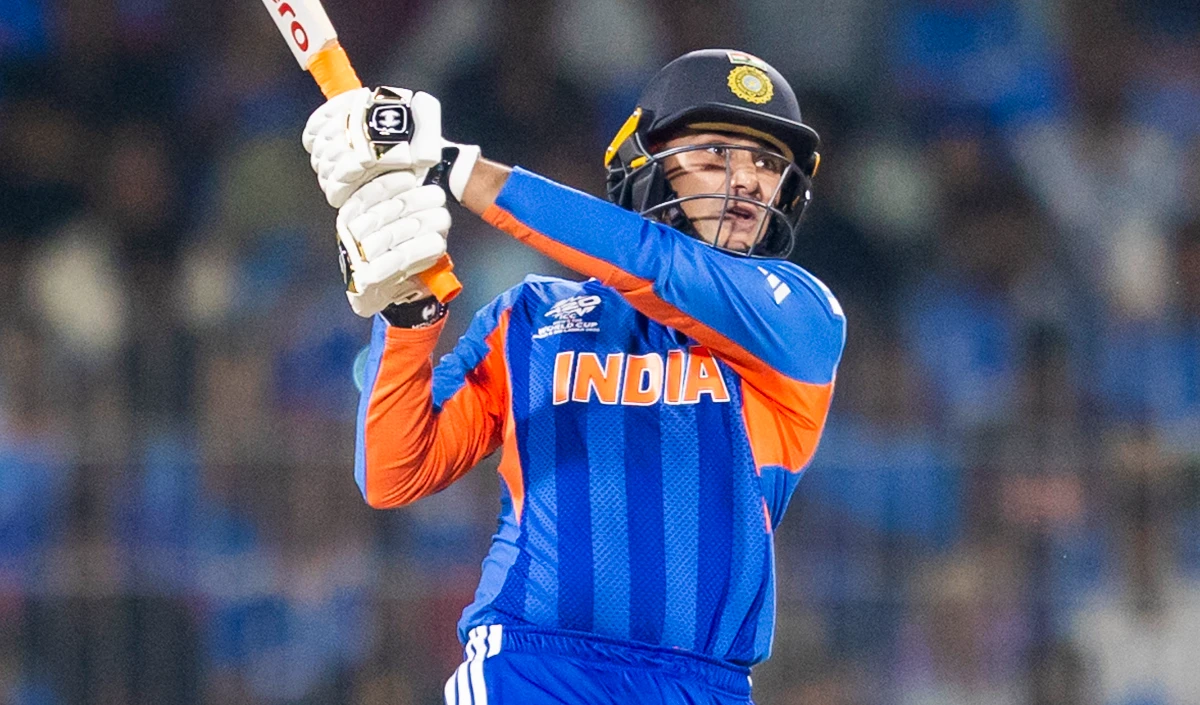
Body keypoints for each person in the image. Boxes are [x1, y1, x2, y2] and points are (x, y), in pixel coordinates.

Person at [303, 49, 846, 705]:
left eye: (768, 162)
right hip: (532, 669)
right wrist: (406, 316)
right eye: (715, 153)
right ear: (648, 163)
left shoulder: (801, 319)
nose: (749, 181)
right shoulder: (530, 316)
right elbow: (394, 473)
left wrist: (449, 165)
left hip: (705, 685)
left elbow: (651, 261)